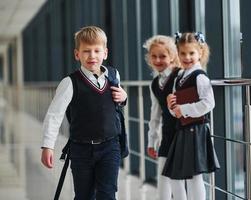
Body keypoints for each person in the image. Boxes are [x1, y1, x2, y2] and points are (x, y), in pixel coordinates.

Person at [40, 26, 127, 200]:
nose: (92, 56)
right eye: (86, 51)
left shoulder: (113, 75)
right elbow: (54, 115)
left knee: (107, 194)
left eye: (97, 50)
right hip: (82, 149)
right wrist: (47, 146)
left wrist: (124, 97)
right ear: (77, 54)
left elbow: (117, 103)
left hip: (110, 147)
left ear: (105, 53)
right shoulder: (70, 83)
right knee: (84, 195)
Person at [163, 32, 220, 200]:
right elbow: (175, 107)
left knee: (194, 176)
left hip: (196, 129)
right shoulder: (179, 77)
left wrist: (184, 109)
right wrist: (172, 107)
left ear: (200, 53)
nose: (187, 57)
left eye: (191, 53)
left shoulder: (200, 77)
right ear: (177, 54)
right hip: (183, 129)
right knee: (176, 175)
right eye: (183, 53)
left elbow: (209, 103)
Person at [143, 35, 182, 200]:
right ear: (149, 58)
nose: (158, 60)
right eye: (154, 56)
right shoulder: (154, 83)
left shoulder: (180, 76)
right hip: (167, 134)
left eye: (163, 56)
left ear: (172, 56)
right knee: (163, 178)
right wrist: (151, 141)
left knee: (179, 180)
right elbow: (155, 114)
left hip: (183, 133)